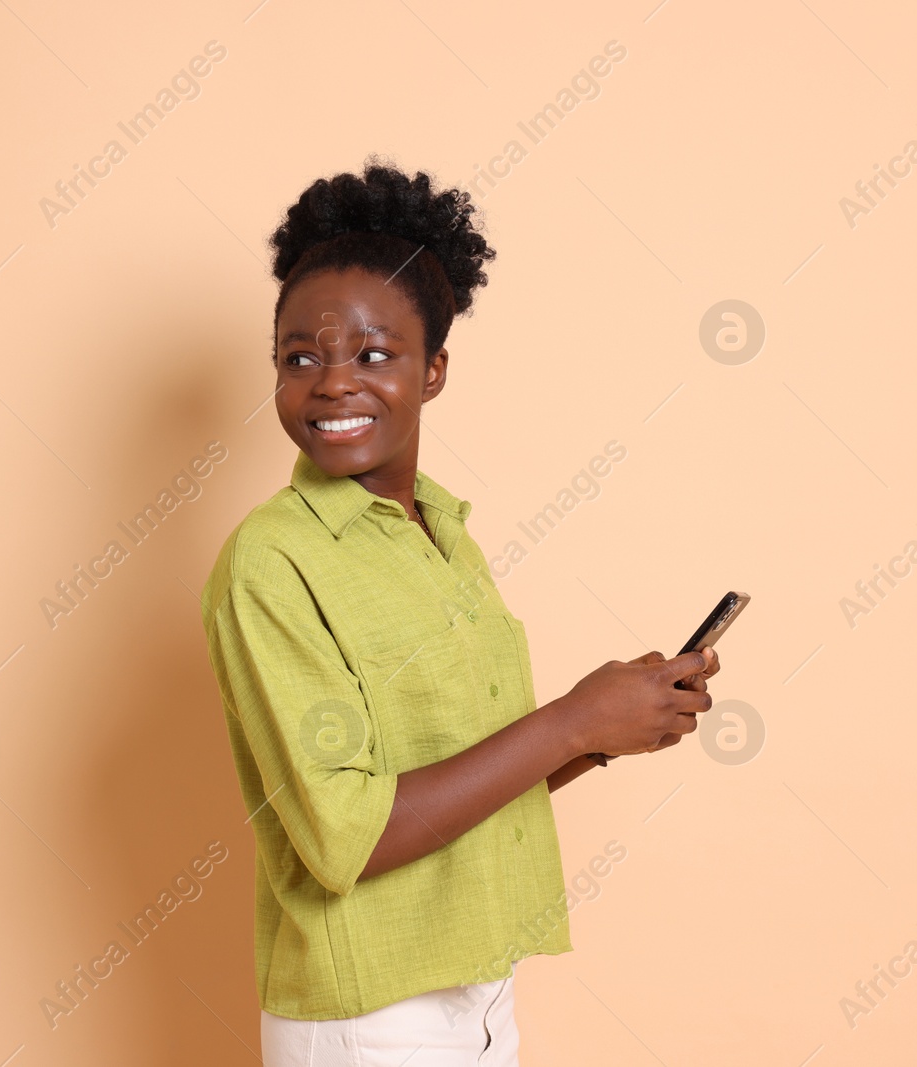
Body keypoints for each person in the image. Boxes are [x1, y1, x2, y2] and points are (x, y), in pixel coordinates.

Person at [198, 157, 720, 1066]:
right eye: (299, 358)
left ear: (433, 369)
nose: (331, 382)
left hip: (478, 992)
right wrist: (571, 720)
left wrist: (606, 733)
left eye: (373, 353)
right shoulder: (270, 562)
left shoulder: (442, 531)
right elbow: (345, 835)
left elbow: (454, 781)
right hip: (369, 1016)